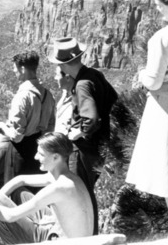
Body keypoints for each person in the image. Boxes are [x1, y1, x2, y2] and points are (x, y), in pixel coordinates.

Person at [126, 0, 168, 240]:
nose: (158, 9)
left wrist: (141, 74)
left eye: (160, 5)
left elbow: (155, 79)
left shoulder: (162, 38)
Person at [48, 37, 118, 235]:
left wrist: (77, 131)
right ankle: (91, 235)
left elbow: (91, 118)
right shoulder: (94, 74)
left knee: (81, 196)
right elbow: (114, 103)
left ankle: (86, 236)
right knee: (88, 195)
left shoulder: (82, 84)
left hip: (83, 150)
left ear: (62, 64)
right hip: (98, 148)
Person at [0, 132, 94, 243]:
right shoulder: (69, 178)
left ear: (56, 157)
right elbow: (21, 179)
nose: (35, 157)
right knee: (16, 192)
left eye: (41, 154)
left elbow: (11, 215)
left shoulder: (59, 188)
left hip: (61, 241)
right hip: (65, 233)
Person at [0, 51, 55, 175]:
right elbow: (50, 126)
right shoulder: (48, 95)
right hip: (39, 151)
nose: (14, 71)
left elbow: (17, 136)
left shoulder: (22, 96)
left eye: (15, 68)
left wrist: (1, 126)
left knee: (18, 191)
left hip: (20, 154)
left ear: (22, 69)